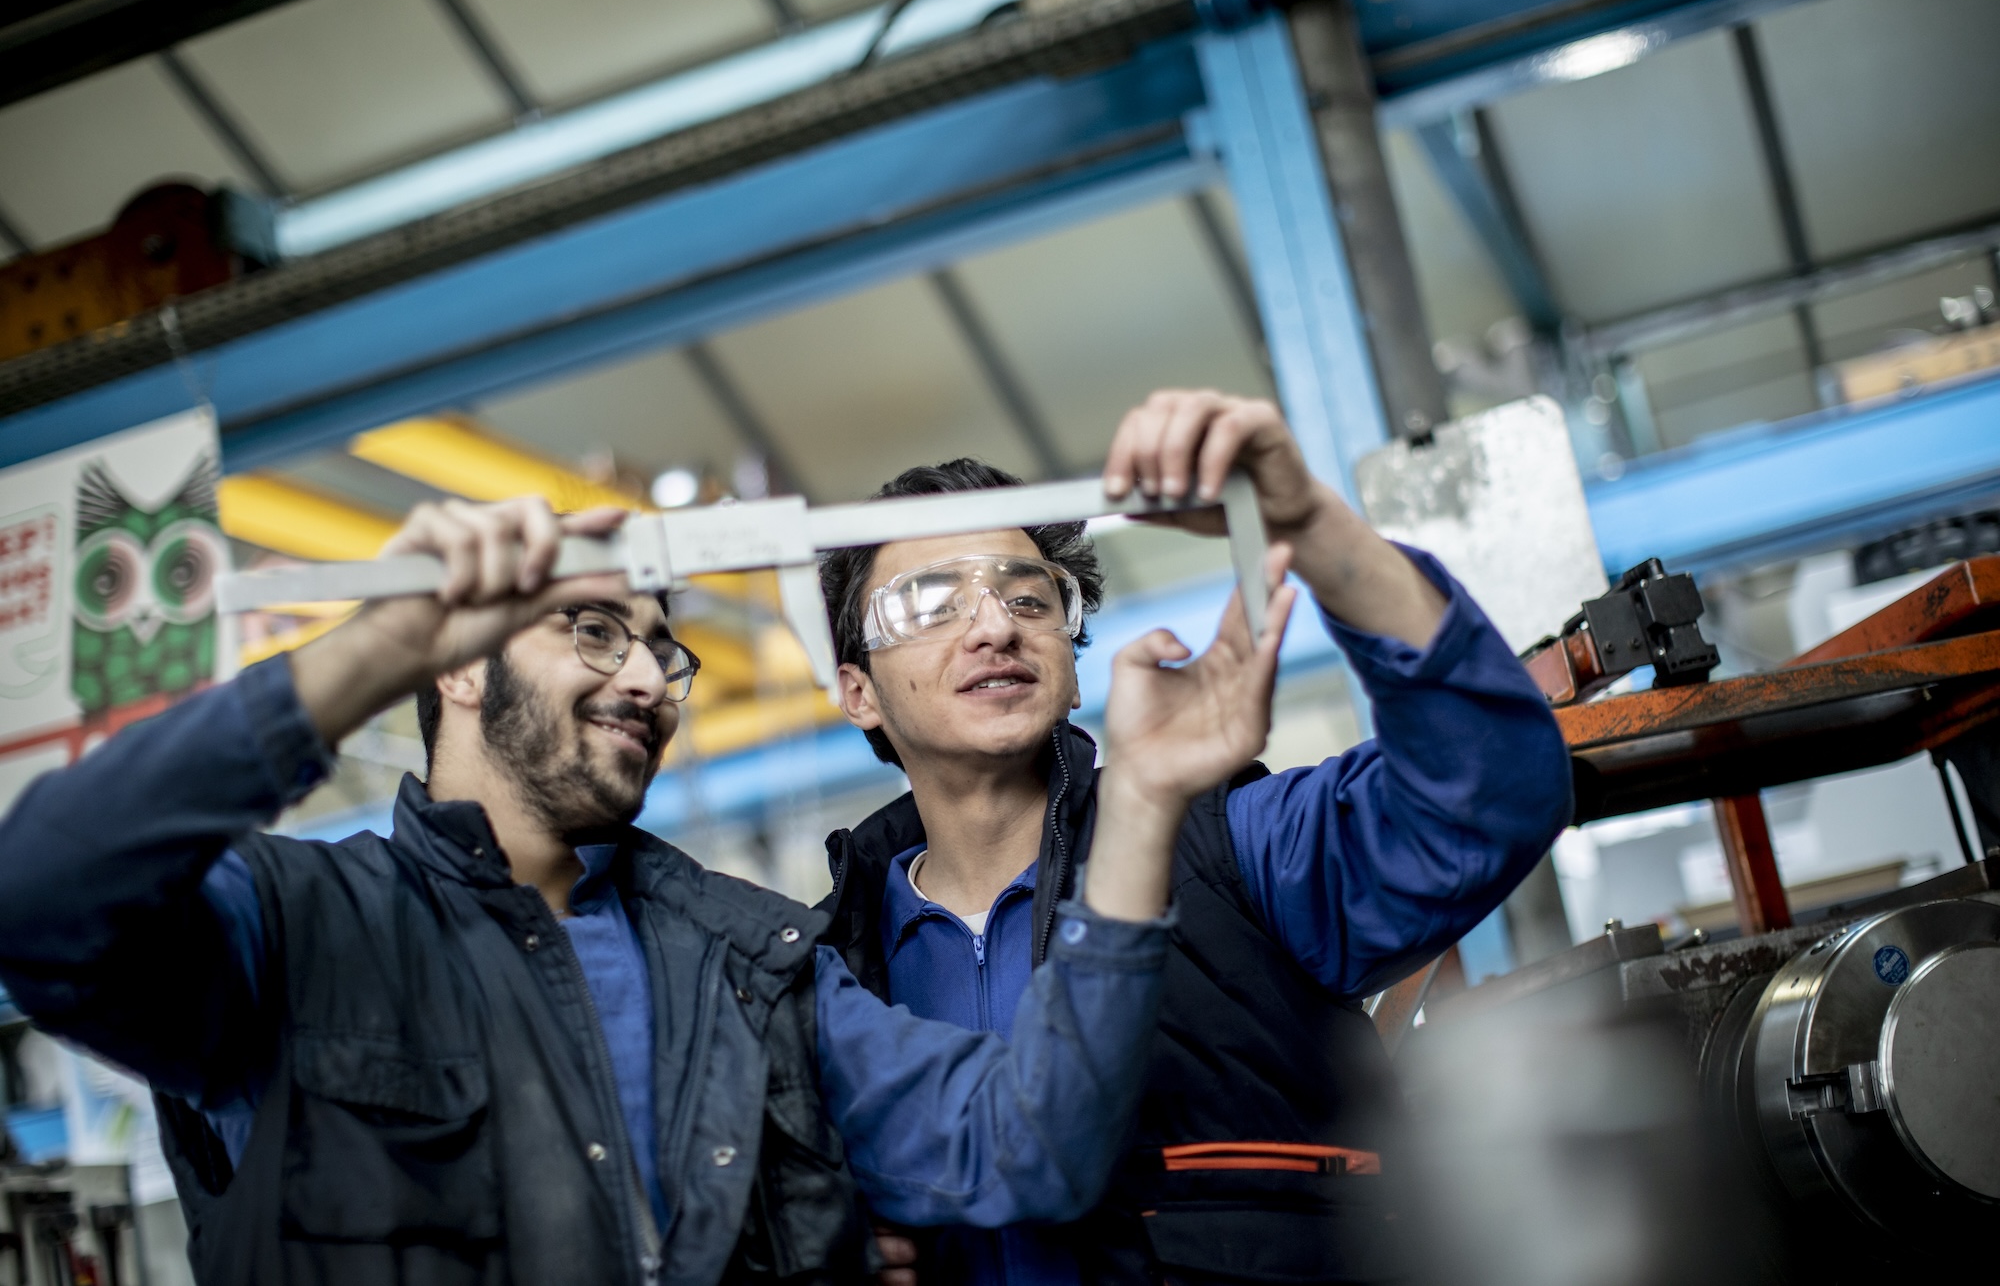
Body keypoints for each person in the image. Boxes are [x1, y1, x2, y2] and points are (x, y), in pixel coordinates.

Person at [0, 493, 1300, 1286]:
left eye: (662, 647)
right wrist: (367, 646)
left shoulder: (752, 965)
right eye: (594, 629)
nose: (647, 675)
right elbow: (41, 898)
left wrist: (1136, 804)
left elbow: (1035, 1141)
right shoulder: (289, 931)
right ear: (455, 667)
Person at [816, 390, 1575, 1285]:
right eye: (929, 604)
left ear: (1069, 656)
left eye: (1029, 597)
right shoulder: (824, 964)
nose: (994, 626)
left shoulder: (1232, 853)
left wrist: (1313, 525)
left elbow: (1495, 791)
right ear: (858, 690)